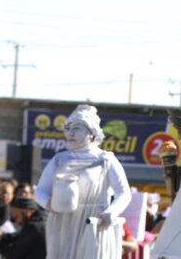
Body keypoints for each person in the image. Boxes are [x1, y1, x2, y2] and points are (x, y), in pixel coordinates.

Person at [34, 104, 131, 259]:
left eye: (77, 128)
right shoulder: (59, 159)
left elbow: (124, 193)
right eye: (68, 128)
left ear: (91, 133)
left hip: (93, 223)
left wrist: (110, 213)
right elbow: (40, 191)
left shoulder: (105, 160)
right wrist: (49, 204)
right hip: (62, 224)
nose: (70, 133)